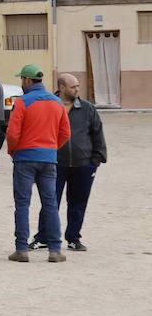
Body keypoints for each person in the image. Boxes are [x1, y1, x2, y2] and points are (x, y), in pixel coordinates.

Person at [4, 64, 70, 263]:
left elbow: (13, 132)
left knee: (23, 204)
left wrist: (13, 151)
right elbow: (66, 133)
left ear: (27, 80)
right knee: (50, 204)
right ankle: (55, 250)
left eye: (21, 79)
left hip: (24, 158)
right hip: (48, 159)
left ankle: (22, 249)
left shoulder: (23, 102)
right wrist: (51, 148)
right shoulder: (58, 102)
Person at [39, 74, 105, 252]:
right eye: (73, 86)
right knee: (50, 201)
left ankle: (73, 238)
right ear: (61, 87)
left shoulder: (87, 109)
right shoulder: (49, 106)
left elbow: (97, 133)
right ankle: (43, 237)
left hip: (83, 165)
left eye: (77, 86)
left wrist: (96, 160)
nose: (77, 89)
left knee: (78, 203)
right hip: (54, 163)